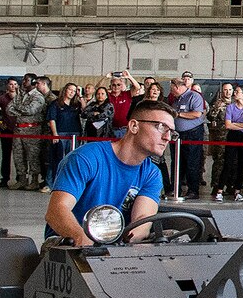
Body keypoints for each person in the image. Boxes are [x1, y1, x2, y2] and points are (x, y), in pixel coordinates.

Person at [45, 99, 171, 247]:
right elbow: (56, 211)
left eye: (171, 132)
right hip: (67, 247)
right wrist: (84, 241)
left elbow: (143, 220)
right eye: (161, 127)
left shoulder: (152, 174)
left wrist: (124, 242)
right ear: (134, 126)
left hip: (114, 247)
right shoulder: (87, 158)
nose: (167, 137)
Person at [217, 85, 243, 201]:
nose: (234, 93)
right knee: (228, 163)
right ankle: (220, 190)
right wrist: (240, 125)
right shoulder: (230, 107)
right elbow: (228, 124)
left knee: (242, 164)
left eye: (237, 92)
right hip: (232, 136)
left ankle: (238, 190)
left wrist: (236, 125)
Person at [172, 74, 206, 199]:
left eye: (172, 88)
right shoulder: (177, 99)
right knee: (178, 163)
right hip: (179, 135)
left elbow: (197, 114)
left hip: (193, 133)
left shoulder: (194, 96)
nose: (171, 91)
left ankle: (193, 190)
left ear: (178, 87)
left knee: (192, 162)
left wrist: (179, 114)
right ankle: (176, 189)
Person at [45, 82, 82, 184]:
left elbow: (84, 109)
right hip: (60, 133)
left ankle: (68, 181)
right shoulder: (56, 104)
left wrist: (80, 95)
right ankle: (51, 182)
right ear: (65, 90)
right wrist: (55, 134)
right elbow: (52, 119)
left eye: (74, 91)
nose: (72, 92)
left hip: (74, 134)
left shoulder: (76, 104)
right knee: (57, 158)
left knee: (72, 158)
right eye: (70, 90)